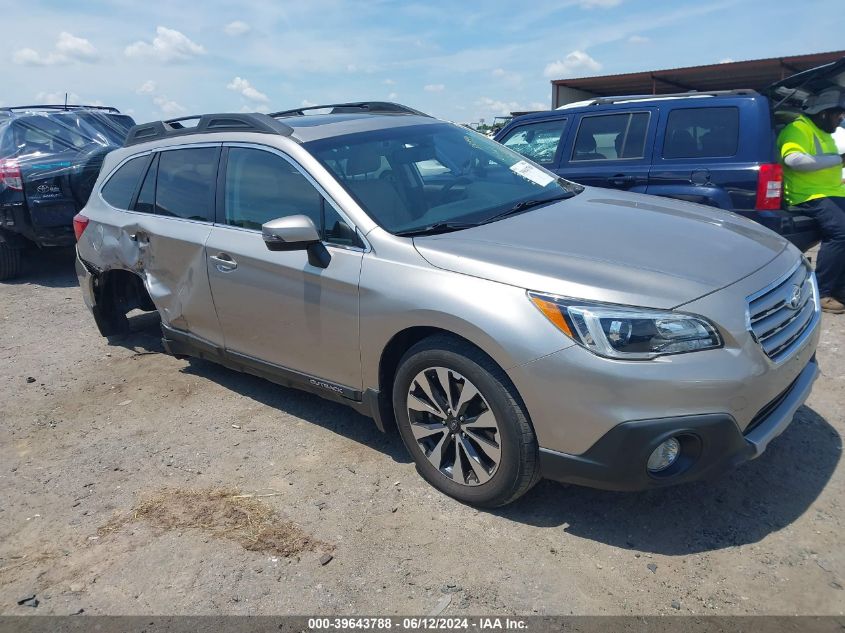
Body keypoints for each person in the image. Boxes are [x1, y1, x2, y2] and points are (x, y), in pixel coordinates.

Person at [777, 87, 845, 313]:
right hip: (808, 194)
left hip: (830, 192)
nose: (840, 119)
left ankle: (840, 290)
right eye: (838, 114)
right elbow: (794, 160)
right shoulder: (798, 129)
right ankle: (823, 292)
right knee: (840, 233)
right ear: (824, 113)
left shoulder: (825, 134)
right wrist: (839, 159)